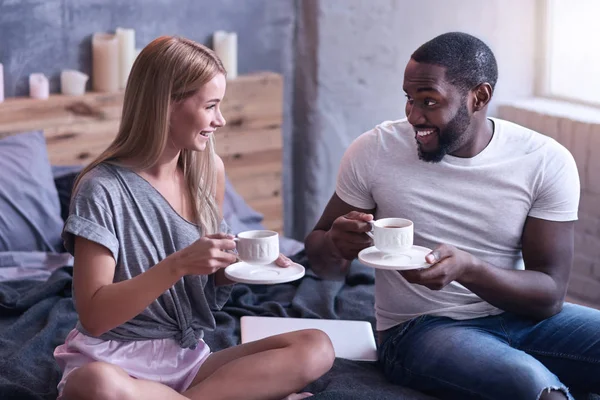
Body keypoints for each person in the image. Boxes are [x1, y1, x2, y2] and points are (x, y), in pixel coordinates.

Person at [305, 32, 600, 400]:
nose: (413, 116)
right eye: (409, 100)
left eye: (429, 101)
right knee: (532, 387)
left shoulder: (544, 161)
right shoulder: (374, 150)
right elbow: (322, 262)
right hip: (417, 330)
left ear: (479, 97)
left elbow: (549, 296)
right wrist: (335, 242)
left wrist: (468, 269)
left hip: (522, 319)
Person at [53, 36, 334, 400]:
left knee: (316, 346)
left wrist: (241, 261)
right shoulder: (100, 188)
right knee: (96, 386)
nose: (220, 120)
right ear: (167, 104)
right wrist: (180, 264)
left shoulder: (207, 169)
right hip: (113, 361)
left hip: (187, 359)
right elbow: (94, 316)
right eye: (211, 106)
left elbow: (206, 277)